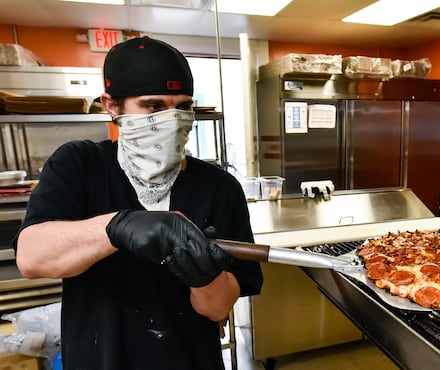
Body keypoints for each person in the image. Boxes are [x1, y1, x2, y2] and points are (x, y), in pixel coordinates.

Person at [13, 37, 263, 370]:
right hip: (99, 358)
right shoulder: (80, 164)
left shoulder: (219, 187)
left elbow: (218, 310)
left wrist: (205, 276)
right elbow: (31, 257)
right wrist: (117, 227)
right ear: (112, 106)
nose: (172, 120)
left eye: (183, 107)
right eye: (153, 106)